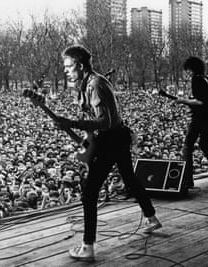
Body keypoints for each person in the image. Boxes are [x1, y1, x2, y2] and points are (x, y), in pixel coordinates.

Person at [55, 45, 161, 261]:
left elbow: (106, 121)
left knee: (89, 192)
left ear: (80, 65)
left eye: (68, 66)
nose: (65, 70)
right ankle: (151, 217)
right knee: (130, 179)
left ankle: (88, 246)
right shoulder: (88, 83)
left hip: (111, 139)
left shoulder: (95, 84)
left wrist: (73, 124)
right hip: (116, 137)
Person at [174, 56, 208, 188]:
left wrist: (184, 101)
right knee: (203, 144)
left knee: (188, 146)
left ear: (192, 69)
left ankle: (187, 180)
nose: (187, 73)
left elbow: (200, 101)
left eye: (188, 70)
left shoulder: (196, 79)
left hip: (199, 117)